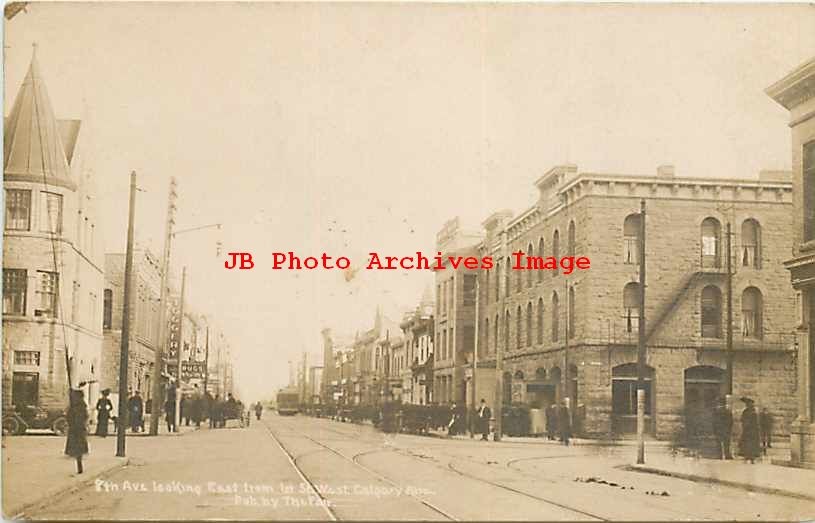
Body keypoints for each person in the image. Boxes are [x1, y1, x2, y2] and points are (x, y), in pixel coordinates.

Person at [65, 389, 89, 474]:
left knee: (78, 447)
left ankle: (79, 465)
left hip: (77, 428)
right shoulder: (79, 405)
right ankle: (79, 463)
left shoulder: (78, 406)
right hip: (77, 428)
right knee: (78, 447)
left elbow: (70, 416)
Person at [738, 397, 761, 464]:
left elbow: (752, 422)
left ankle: (750, 457)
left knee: (750, 444)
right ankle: (748, 457)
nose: (747, 405)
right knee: (748, 444)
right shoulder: (747, 411)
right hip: (749, 430)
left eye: (748, 403)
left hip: (750, 430)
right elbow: (742, 419)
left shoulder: (751, 412)